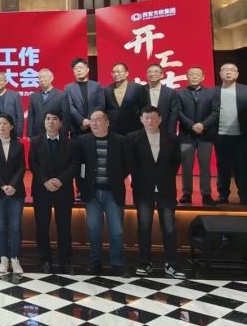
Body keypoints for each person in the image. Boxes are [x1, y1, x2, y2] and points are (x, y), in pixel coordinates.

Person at [128, 106, 186, 279]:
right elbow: (131, 163)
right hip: (143, 189)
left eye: (153, 118)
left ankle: (172, 263)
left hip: (166, 189)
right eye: (146, 118)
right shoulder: (132, 138)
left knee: (169, 228)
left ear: (160, 119)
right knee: (144, 227)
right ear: (141, 119)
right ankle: (145, 262)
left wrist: (163, 177)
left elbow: (176, 162)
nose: (150, 121)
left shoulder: (172, 138)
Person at [73, 109, 132, 276]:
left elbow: (128, 164)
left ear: (107, 123)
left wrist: (115, 177)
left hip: (113, 192)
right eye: (92, 120)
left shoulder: (120, 141)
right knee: (94, 229)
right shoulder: (82, 141)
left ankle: (117, 262)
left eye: (98, 120)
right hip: (91, 193)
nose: (94, 123)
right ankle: (95, 261)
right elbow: (78, 167)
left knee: (117, 230)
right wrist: (82, 187)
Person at [29, 111, 76, 274]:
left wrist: (60, 180)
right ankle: (45, 259)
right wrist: (45, 181)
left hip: (63, 190)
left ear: (61, 123)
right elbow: (33, 164)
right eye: (48, 119)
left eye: (55, 119)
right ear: (44, 122)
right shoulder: (35, 141)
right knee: (42, 226)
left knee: (64, 227)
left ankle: (65, 260)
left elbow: (74, 165)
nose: (51, 122)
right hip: (42, 190)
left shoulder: (70, 143)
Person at [0, 114, 26, 274]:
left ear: (11, 126)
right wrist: (2, 185)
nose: (1, 126)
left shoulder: (19, 146)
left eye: (5, 123)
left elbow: (21, 167)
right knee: (1, 226)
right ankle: (3, 258)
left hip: (16, 192)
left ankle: (15, 258)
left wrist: (12, 185)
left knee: (15, 227)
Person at [177, 67, 218, 205]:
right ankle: (186, 194)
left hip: (205, 135)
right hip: (186, 135)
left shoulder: (211, 93)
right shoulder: (179, 93)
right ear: (187, 76)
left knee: (205, 166)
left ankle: (206, 194)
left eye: (197, 74)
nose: (194, 77)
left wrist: (203, 125)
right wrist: (192, 125)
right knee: (186, 166)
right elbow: (179, 112)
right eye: (191, 74)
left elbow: (215, 112)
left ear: (203, 77)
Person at [212, 63, 247, 204]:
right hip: (221, 136)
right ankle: (223, 195)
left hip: (241, 136)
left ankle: (244, 195)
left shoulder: (245, 90)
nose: (228, 72)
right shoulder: (213, 92)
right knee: (222, 167)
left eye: (232, 70)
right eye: (225, 70)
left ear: (237, 74)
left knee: (242, 167)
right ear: (220, 74)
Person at [103, 62, 149, 135]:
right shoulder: (106, 90)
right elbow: (104, 109)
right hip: (113, 130)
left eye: (119, 72)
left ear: (127, 73)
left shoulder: (138, 88)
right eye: (113, 72)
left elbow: (145, 108)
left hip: (134, 129)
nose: (116, 74)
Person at [65, 57, 105, 137]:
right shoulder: (68, 88)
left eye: (81, 67)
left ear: (87, 69)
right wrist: (82, 121)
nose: (78, 70)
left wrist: (89, 120)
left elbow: (101, 105)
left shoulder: (97, 86)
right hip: (77, 128)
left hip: (95, 127)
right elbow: (70, 107)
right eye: (75, 68)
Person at [27, 68, 70, 138]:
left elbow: (66, 117)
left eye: (44, 77)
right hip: (37, 134)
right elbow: (30, 117)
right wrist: (29, 134)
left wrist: (64, 134)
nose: (41, 79)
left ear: (51, 78)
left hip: (56, 133)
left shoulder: (61, 95)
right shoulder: (33, 96)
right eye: (39, 78)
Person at [145, 63, 178, 134]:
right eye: (149, 72)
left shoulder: (170, 92)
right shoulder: (140, 90)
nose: (152, 74)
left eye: (156, 71)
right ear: (147, 75)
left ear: (162, 75)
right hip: (144, 131)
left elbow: (173, 115)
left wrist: (170, 133)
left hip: (164, 131)